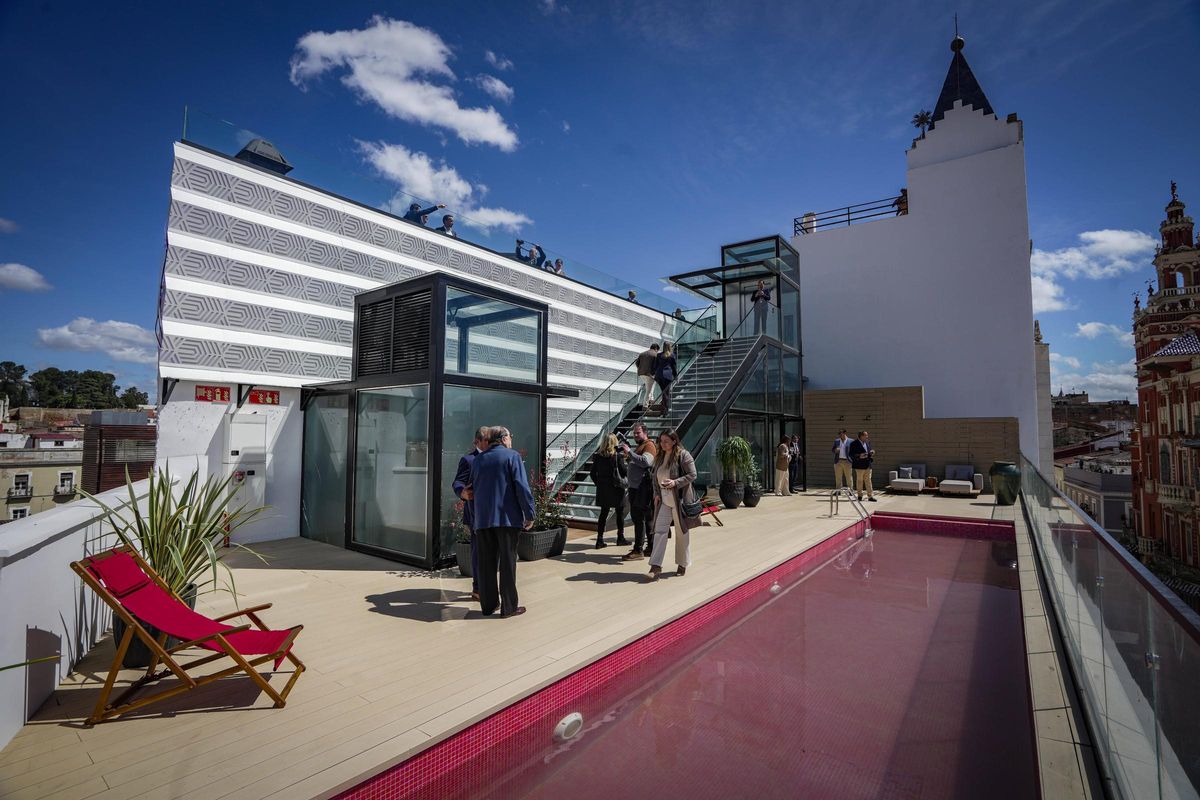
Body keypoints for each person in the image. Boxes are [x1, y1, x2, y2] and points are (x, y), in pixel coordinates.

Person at [470, 426, 535, 618]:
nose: (512, 439)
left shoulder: (479, 459)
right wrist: (529, 513)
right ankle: (509, 607)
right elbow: (522, 487)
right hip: (507, 519)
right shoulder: (512, 456)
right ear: (504, 438)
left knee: (486, 565)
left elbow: (474, 488)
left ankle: (489, 606)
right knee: (507, 564)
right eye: (510, 436)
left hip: (483, 520)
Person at [646, 428, 696, 581]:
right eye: (661, 441)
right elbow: (654, 477)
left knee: (682, 532)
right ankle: (655, 566)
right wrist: (656, 493)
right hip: (663, 500)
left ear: (674, 441)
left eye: (666, 441)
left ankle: (683, 563)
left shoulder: (683, 455)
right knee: (660, 531)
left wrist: (675, 482)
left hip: (678, 499)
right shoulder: (660, 456)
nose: (663, 444)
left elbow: (693, 475)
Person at [451, 427, 491, 602]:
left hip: (494, 514)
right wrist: (462, 493)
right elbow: (458, 482)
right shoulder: (468, 460)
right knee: (478, 552)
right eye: (488, 440)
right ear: (478, 441)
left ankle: (488, 586)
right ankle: (477, 589)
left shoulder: (495, 457)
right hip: (476, 514)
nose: (491, 443)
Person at [621, 422, 658, 561]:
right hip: (638, 488)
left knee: (638, 519)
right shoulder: (641, 446)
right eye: (634, 433)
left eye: (638, 433)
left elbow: (646, 462)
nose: (636, 435)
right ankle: (651, 547)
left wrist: (629, 452)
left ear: (645, 432)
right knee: (646, 518)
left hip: (641, 489)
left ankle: (638, 550)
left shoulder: (649, 445)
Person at [589, 434, 628, 549]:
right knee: (619, 513)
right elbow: (625, 472)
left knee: (603, 513)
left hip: (603, 489)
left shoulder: (598, 457)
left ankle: (599, 540)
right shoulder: (617, 456)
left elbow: (592, 474)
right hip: (616, 488)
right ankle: (620, 538)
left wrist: (599, 483)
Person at [847, 430, 877, 502]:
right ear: (861, 436)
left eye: (867, 435)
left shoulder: (867, 442)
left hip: (868, 465)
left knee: (868, 481)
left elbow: (869, 451)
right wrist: (859, 456)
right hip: (859, 466)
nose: (867, 436)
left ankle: (870, 496)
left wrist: (872, 452)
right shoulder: (854, 443)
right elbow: (851, 454)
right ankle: (860, 496)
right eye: (866, 435)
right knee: (860, 481)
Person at [653, 342, 678, 414]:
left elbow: (655, 366)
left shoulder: (659, 355)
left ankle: (664, 409)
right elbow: (674, 367)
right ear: (670, 347)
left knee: (664, 392)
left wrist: (655, 374)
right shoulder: (672, 355)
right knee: (666, 393)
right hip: (667, 376)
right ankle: (665, 410)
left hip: (659, 376)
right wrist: (676, 377)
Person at [636, 343, 660, 408]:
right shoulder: (655, 355)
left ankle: (651, 400)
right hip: (649, 374)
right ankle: (645, 406)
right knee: (648, 390)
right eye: (657, 350)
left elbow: (637, 363)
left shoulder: (642, 354)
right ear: (656, 349)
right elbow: (656, 365)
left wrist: (641, 369)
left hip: (641, 374)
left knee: (650, 387)